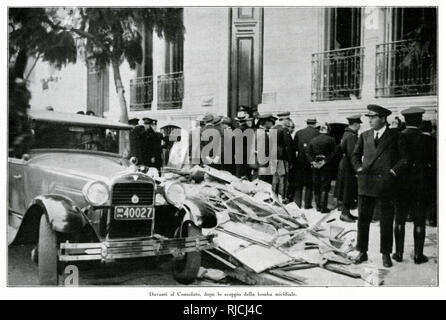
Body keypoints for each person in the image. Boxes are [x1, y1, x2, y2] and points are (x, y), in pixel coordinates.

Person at [352, 104, 408, 268]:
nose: (369, 120)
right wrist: (359, 168)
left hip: (386, 184)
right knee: (363, 219)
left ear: (383, 118)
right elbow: (355, 155)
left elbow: (404, 158)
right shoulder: (364, 135)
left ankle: (385, 254)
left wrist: (392, 171)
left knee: (386, 220)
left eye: (373, 117)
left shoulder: (395, 136)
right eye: (368, 117)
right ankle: (362, 251)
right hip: (366, 183)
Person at [393, 107, 432, 264]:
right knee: (419, 220)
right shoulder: (429, 139)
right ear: (420, 121)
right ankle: (418, 255)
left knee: (399, 219)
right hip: (421, 185)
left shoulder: (397, 138)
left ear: (405, 121)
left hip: (401, 185)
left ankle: (399, 254)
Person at [335, 114, 362, 222]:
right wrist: (357, 168)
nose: (360, 126)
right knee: (347, 189)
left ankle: (347, 213)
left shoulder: (347, 134)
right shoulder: (351, 136)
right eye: (359, 124)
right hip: (348, 166)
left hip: (345, 164)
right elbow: (352, 154)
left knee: (347, 189)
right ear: (355, 124)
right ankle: (344, 214)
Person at [306, 123, 337, 213]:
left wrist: (313, 162)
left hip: (315, 165)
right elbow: (334, 153)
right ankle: (323, 208)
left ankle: (318, 207)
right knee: (325, 186)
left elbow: (307, 152)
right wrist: (325, 161)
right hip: (326, 165)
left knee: (316, 185)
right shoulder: (331, 140)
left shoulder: (313, 140)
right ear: (327, 130)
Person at [293, 118, 319, 208]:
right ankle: (307, 204)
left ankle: (297, 204)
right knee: (310, 184)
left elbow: (295, 147)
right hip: (312, 161)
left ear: (307, 123)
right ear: (315, 124)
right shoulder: (317, 133)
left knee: (298, 184)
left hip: (300, 161)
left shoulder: (299, 132)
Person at [272, 112, 295, 200]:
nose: (289, 121)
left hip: (273, 158)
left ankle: (274, 196)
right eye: (288, 119)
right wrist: (291, 160)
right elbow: (288, 147)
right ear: (285, 120)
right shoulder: (284, 130)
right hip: (282, 158)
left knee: (275, 179)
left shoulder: (273, 128)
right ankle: (282, 198)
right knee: (283, 179)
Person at [420, 120, 437, 227]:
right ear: (431, 129)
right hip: (432, 173)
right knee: (433, 197)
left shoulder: (418, 140)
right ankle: (432, 219)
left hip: (419, 173)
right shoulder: (434, 140)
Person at [256, 113, 276, 184]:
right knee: (264, 184)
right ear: (266, 122)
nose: (272, 124)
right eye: (271, 122)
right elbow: (262, 151)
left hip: (263, 163)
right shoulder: (262, 134)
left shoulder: (260, 132)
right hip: (263, 164)